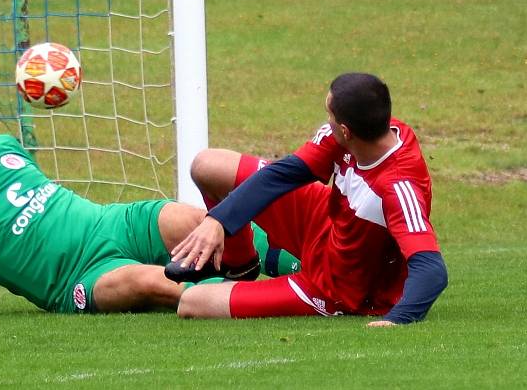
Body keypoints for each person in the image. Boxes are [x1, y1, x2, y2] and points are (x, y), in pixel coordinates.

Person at [0, 80, 297, 323]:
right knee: (149, 282)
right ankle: (268, 298)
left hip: (115, 223)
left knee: (192, 220)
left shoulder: (3, 147)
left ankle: (304, 263)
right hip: (85, 276)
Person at [165, 72, 448, 326]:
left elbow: (431, 269)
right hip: (323, 220)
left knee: (192, 303)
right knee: (207, 165)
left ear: (346, 130)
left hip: (334, 286)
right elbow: (283, 175)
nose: (327, 122)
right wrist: (218, 221)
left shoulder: (398, 187)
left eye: (330, 115)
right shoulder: (363, 131)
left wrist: (398, 319)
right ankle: (239, 266)